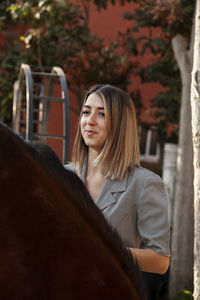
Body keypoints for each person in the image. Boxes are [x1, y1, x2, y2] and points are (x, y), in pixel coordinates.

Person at [65, 84, 170, 275]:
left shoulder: (145, 184)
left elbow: (160, 261)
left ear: (120, 124)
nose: (90, 121)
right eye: (86, 112)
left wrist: (104, 250)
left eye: (102, 114)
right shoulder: (64, 176)